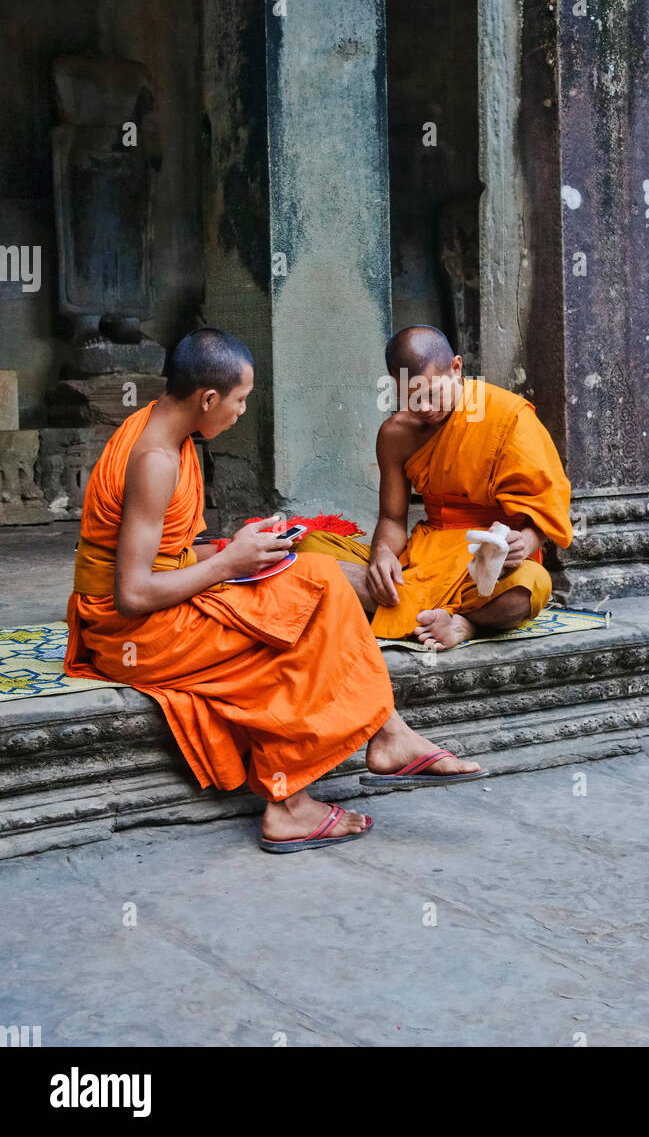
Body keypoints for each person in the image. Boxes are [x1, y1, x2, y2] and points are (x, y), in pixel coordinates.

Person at [64, 328, 486, 855]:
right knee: (298, 633)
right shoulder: (156, 460)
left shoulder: (161, 429)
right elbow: (132, 593)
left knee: (321, 576)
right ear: (209, 398)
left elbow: (163, 554)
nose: (241, 413)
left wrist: (233, 550)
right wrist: (227, 565)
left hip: (159, 606)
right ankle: (295, 802)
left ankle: (387, 735)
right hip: (134, 633)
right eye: (240, 401)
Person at [296, 325, 573, 652]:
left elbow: (544, 513)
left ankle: (461, 624)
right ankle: (432, 614)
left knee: (530, 587)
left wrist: (523, 543)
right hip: (426, 555)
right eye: (412, 397)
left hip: (484, 564)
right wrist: (383, 554)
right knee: (308, 549)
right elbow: (392, 518)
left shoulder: (508, 417)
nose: (425, 407)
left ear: (456, 368)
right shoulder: (395, 434)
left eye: (433, 393)